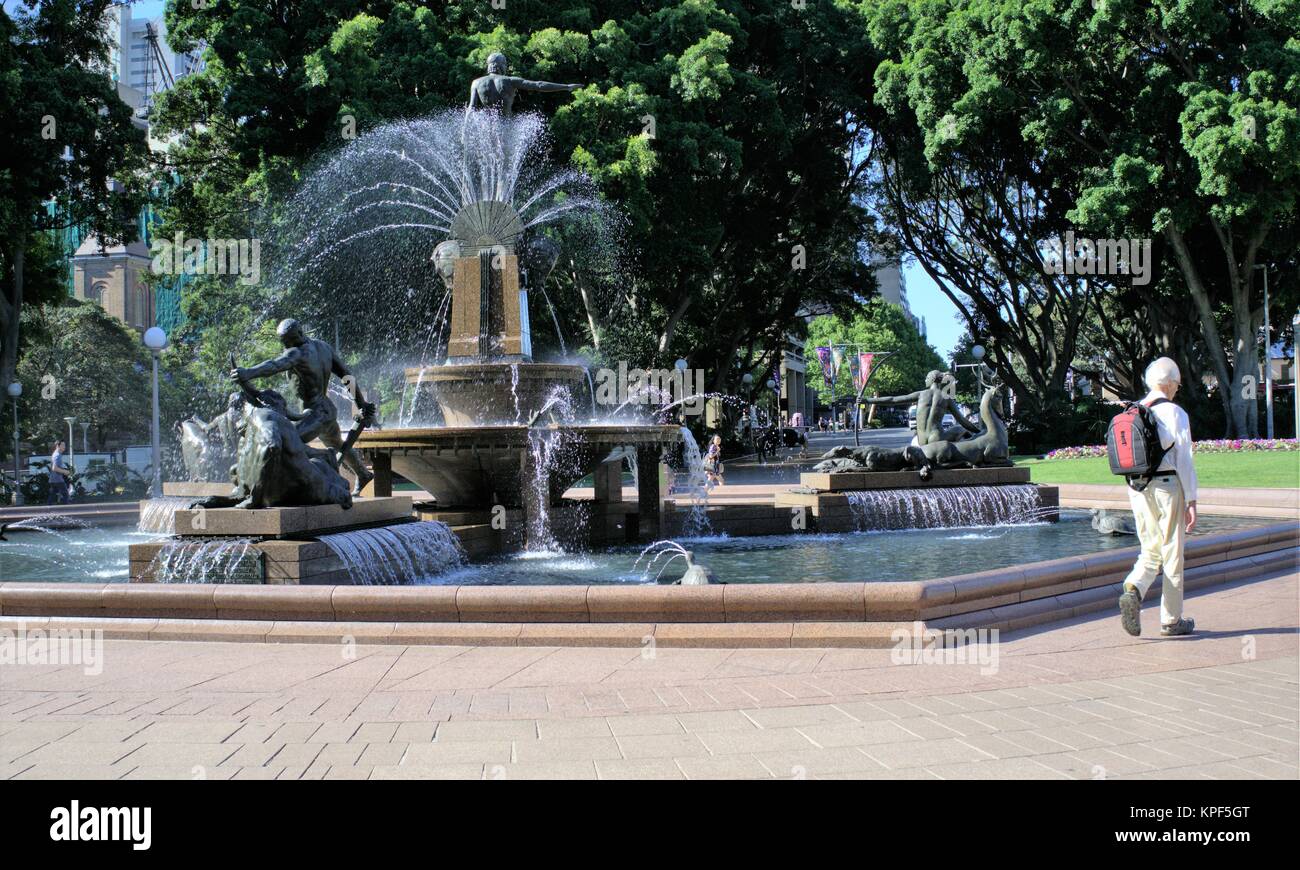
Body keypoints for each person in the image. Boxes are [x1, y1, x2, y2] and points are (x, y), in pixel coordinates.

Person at [232, 319, 376, 495]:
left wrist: (248, 372)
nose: (285, 344)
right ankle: (362, 474)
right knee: (337, 443)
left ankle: (319, 477)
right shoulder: (324, 347)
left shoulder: (297, 353)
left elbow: (275, 365)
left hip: (316, 413)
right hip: (326, 410)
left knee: (289, 442)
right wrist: (361, 403)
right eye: (282, 341)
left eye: (287, 340)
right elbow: (347, 376)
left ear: (300, 334)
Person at [1117, 357, 1199, 638]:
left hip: (1137, 487)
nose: (1177, 389)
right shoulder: (1175, 412)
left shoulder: (1135, 409)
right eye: (1177, 384)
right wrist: (1192, 500)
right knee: (1172, 553)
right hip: (1167, 485)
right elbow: (1184, 459)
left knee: (1150, 549)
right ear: (1170, 383)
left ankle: (1133, 589)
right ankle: (1171, 620)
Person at [862, 371, 979, 445]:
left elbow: (893, 400)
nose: (925, 380)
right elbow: (962, 420)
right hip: (937, 437)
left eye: (927, 378)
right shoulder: (946, 397)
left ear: (932, 379)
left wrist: (868, 400)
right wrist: (979, 431)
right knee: (960, 429)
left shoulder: (921, 394)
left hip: (921, 440)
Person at [47, 440, 72, 505]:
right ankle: (65, 512)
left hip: (53, 479)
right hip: (58, 479)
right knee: (66, 495)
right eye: (63, 445)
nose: (64, 447)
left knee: (52, 496)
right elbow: (54, 468)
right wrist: (65, 471)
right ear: (58, 446)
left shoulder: (55, 454)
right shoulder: (57, 455)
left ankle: (48, 511)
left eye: (65, 445)